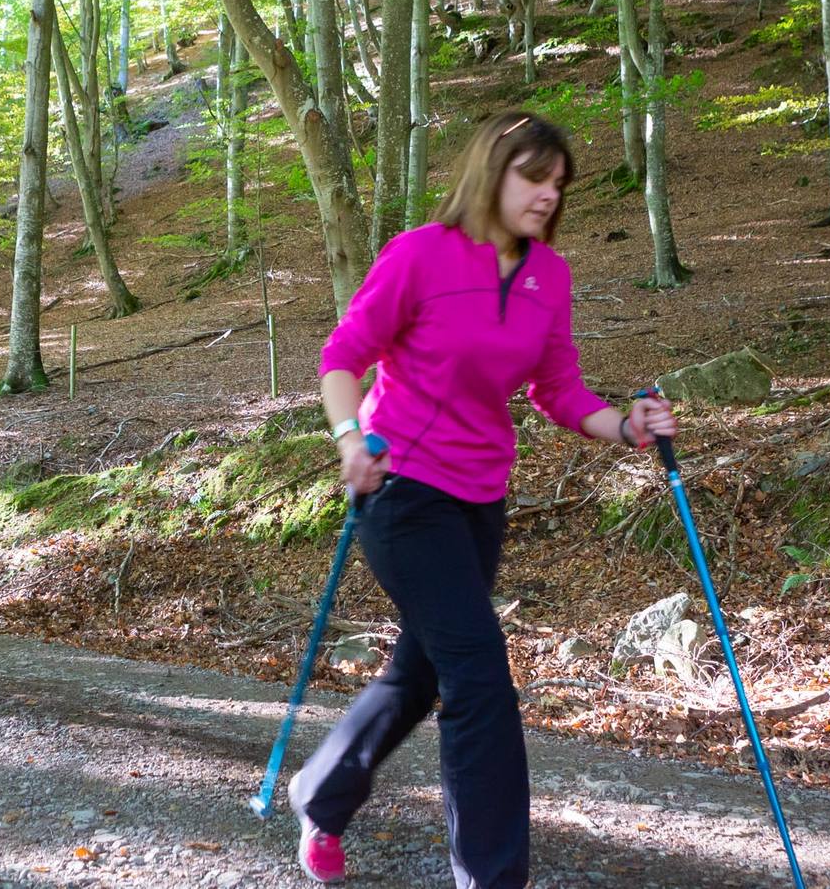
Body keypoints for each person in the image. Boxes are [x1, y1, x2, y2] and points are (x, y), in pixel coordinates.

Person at [287, 110, 679, 888]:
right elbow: (342, 359)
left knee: (421, 673)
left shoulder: (549, 277)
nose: (547, 196)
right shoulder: (420, 256)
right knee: (479, 676)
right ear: (491, 172)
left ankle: (320, 795)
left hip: (478, 500)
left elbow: (557, 388)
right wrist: (345, 439)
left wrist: (625, 425)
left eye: (557, 184)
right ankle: (492, 878)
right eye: (533, 177)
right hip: (400, 491)